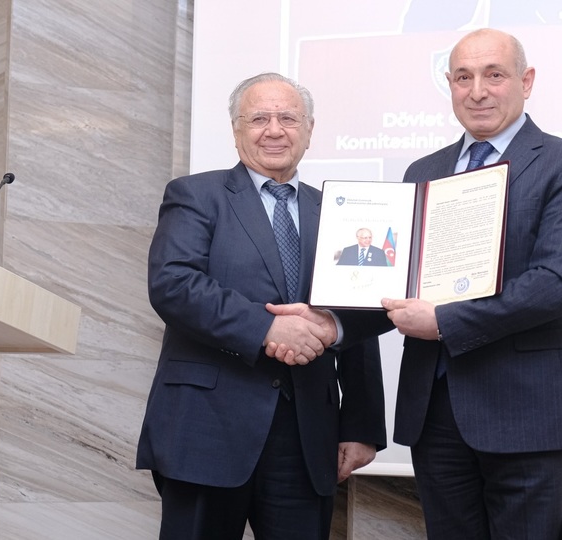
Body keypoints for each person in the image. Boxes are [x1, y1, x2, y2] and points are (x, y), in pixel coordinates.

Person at [135, 72, 386, 540]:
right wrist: (267, 329)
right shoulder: (195, 195)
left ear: (309, 129)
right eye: (258, 119)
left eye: (288, 118)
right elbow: (173, 284)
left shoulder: (339, 212)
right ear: (236, 130)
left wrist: (361, 424)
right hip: (206, 430)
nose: (274, 130)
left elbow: (354, 316)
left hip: (306, 436)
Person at [380, 29, 562, 539]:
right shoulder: (423, 171)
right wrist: (327, 321)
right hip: (435, 409)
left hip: (526, 412)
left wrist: (444, 321)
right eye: (463, 77)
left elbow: (559, 283)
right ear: (449, 84)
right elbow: (399, 278)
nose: (477, 91)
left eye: (494, 75)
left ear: (526, 82)